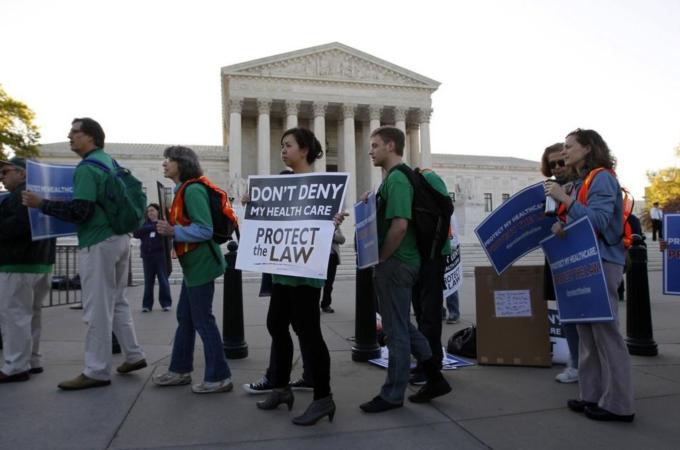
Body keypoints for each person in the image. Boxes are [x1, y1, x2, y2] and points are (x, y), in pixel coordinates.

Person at [22, 118, 147, 390]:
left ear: (89, 137)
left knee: (97, 308)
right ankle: (134, 354)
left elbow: (81, 212)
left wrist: (40, 203)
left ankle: (97, 370)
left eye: (74, 132)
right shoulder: (109, 162)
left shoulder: (87, 169)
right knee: (118, 302)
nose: (69, 137)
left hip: (98, 240)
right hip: (120, 238)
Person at [246, 127, 343, 426]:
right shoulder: (279, 184)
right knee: (276, 324)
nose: (283, 150)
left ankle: (323, 398)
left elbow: (326, 229)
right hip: (281, 270)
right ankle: (281, 387)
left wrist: (332, 220)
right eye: (281, 145)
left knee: (308, 331)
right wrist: (252, 204)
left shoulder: (320, 185)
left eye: (288, 145)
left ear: (304, 150)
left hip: (306, 271)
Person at [545, 128, 635, 422]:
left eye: (570, 146)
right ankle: (592, 394)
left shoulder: (603, 178)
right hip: (584, 263)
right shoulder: (584, 181)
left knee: (606, 334)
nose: (564, 152)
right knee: (586, 332)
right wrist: (563, 226)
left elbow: (597, 220)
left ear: (587, 148)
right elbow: (583, 221)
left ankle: (620, 404)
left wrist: (565, 200)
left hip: (603, 262)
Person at [359, 126, 451, 413]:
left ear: (389, 145)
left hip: (397, 263)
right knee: (404, 325)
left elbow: (399, 225)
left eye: (374, 145)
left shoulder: (398, 179)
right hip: (404, 262)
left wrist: (382, 258)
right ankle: (434, 377)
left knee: (396, 331)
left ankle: (392, 394)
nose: (370, 151)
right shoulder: (394, 180)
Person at [152, 146, 232, 394]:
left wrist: (173, 230)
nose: (165, 163)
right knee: (185, 318)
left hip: (202, 264)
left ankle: (220, 376)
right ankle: (180, 370)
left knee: (202, 320)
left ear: (182, 163)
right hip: (194, 265)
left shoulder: (193, 190)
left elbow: (205, 229)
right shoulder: (182, 191)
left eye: (170, 159)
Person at [0, 157, 56, 383]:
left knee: (15, 315)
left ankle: (15, 366)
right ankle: (32, 360)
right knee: (32, 314)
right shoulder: (41, 195)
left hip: (17, 263)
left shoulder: (19, 196)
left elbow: (16, 227)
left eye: (5, 171)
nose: (2, 176)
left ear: (22, 174)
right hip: (41, 262)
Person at [409, 167, 452, 385]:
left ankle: (432, 363)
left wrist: (436, 241)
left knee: (430, 312)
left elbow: (447, 209)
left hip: (433, 254)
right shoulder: (410, 182)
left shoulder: (429, 178)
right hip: (418, 255)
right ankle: (426, 361)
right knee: (421, 311)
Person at [542, 143, 580, 384]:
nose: (557, 167)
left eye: (560, 162)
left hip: (581, 257)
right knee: (566, 314)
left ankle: (585, 365)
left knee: (586, 317)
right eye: (552, 164)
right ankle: (575, 363)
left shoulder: (581, 185)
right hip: (558, 256)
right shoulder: (551, 189)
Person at [133, 204, 172, 312]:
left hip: (160, 255)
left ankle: (166, 303)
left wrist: (150, 227)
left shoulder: (163, 223)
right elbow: (136, 233)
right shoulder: (144, 224)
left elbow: (166, 234)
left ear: (157, 212)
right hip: (147, 256)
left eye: (152, 210)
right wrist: (151, 226)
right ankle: (147, 305)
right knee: (148, 282)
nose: (150, 212)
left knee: (163, 280)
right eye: (148, 211)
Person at [320, 227, 346, 313]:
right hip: (320, 257)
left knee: (329, 283)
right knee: (317, 283)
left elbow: (342, 240)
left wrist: (332, 234)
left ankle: (326, 304)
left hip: (332, 257)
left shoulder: (335, 226)